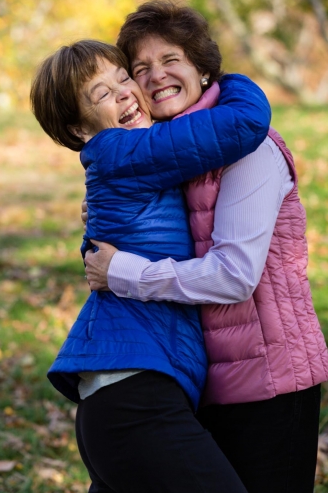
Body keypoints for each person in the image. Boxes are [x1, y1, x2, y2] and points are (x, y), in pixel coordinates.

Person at [83, 0, 328, 493]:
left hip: (269, 380)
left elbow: (235, 274)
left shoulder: (249, 149)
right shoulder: (172, 153)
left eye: (171, 60)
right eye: (140, 68)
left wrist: (121, 272)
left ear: (201, 66)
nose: (156, 77)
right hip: (207, 381)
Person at [30, 38, 271, 492]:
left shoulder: (126, 162)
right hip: (134, 397)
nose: (123, 93)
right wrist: (222, 79)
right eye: (101, 94)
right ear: (81, 130)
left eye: (123, 78)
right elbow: (245, 122)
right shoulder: (122, 152)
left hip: (127, 396)